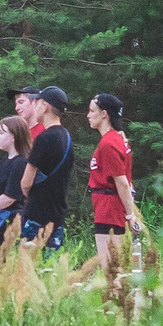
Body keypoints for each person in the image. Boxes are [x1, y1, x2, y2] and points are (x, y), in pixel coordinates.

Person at [15, 85, 76, 250]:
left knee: (28, 260)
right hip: (57, 212)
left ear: (45, 106)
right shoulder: (66, 137)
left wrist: (28, 194)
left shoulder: (43, 138)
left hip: (37, 212)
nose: (35, 106)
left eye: (37, 102)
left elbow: (26, 183)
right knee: (51, 261)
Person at [87, 92, 146, 240]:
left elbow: (122, 182)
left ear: (104, 114)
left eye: (92, 111)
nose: (88, 115)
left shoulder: (108, 144)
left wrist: (131, 216)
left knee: (109, 256)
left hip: (109, 211)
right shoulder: (117, 139)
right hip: (109, 209)